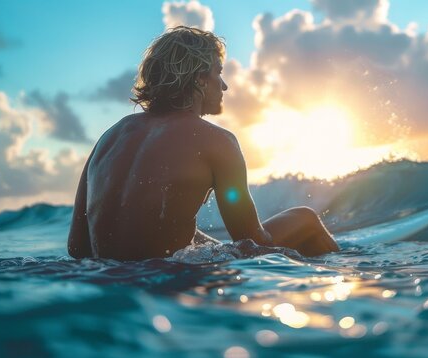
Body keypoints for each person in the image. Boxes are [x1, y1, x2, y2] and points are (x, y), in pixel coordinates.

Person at [67, 26, 339, 261]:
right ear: (198, 78)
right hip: (169, 284)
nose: (224, 86)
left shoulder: (109, 138)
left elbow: (77, 248)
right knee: (305, 218)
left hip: (107, 279)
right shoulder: (217, 141)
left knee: (202, 240)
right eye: (218, 72)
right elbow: (252, 244)